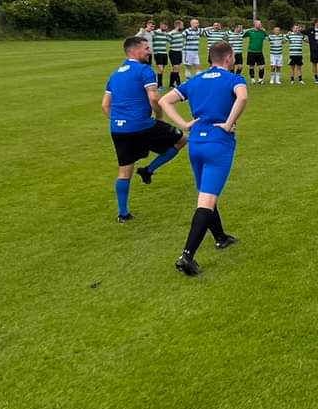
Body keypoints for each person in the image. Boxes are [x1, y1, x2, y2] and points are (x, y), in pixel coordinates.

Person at [160, 41, 247, 277]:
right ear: (229, 58)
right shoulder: (234, 79)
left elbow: (163, 100)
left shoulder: (196, 80)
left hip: (196, 144)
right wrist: (229, 124)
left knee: (207, 193)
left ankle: (220, 237)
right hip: (218, 144)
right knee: (206, 201)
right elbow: (242, 98)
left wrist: (184, 124)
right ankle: (187, 256)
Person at [102, 36, 188, 221]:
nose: (149, 51)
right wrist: (159, 116)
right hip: (142, 125)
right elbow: (154, 98)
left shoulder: (115, 75)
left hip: (118, 128)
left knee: (124, 171)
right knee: (182, 139)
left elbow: (105, 105)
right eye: (146, 48)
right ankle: (148, 170)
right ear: (134, 51)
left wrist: (119, 120)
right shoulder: (144, 70)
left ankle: (123, 214)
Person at [242, 19, 268, 84]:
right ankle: (252, 79)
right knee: (251, 66)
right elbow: (242, 35)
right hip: (251, 52)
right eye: (259, 24)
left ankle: (260, 79)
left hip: (259, 52)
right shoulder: (250, 31)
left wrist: (265, 31)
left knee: (262, 66)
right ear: (255, 25)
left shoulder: (262, 32)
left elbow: (268, 37)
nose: (260, 25)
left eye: (260, 24)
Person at [151, 20, 170, 89]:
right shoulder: (155, 32)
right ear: (160, 25)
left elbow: (170, 40)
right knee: (160, 69)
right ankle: (159, 85)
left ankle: (159, 84)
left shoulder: (166, 34)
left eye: (166, 26)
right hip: (158, 53)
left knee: (162, 70)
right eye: (163, 25)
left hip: (164, 53)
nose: (165, 27)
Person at [167, 19, 185, 88]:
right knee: (176, 68)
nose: (183, 26)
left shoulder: (181, 33)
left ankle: (171, 84)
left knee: (175, 69)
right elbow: (167, 40)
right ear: (178, 25)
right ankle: (179, 84)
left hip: (180, 52)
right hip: (173, 52)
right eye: (182, 25)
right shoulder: (171, 33)